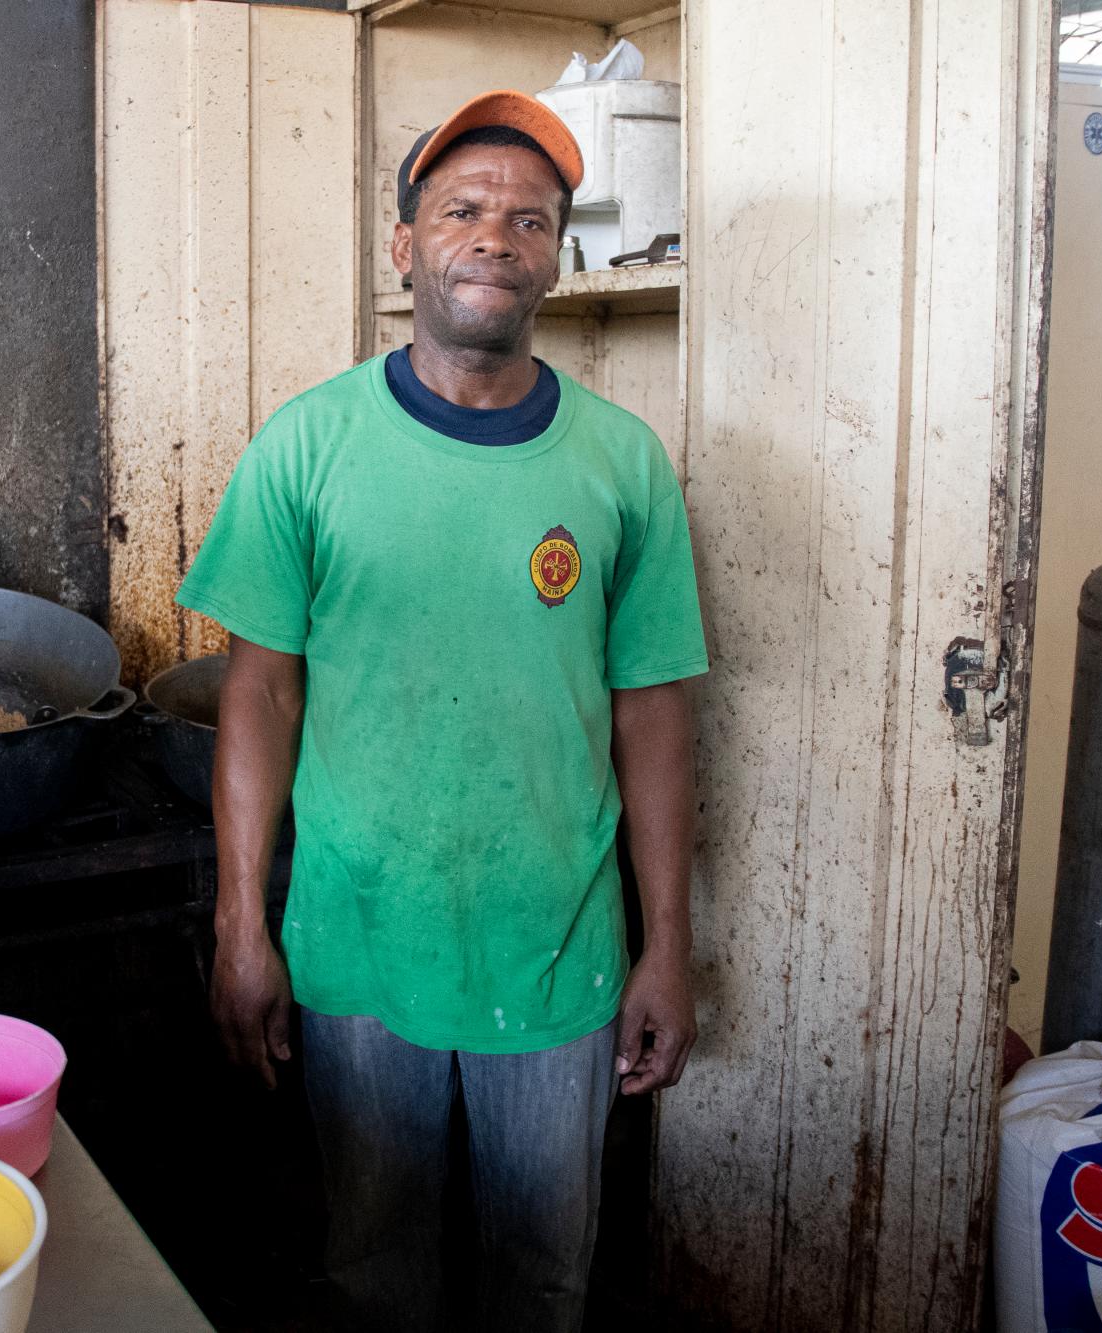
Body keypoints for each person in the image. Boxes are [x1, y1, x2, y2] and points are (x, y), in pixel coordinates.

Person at [174, 89, 708, 1332]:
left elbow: (653, 714)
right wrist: (241, 926)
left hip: (555, 952)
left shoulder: (621, 462)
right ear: (403, 243)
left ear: (557, 259)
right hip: (355, 943)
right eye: (461, 210)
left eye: (530, 220)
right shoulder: (305, 446)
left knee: (544, 1277)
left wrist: (667, 947)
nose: (494, 238)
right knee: (374, 1269)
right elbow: (259, 692)